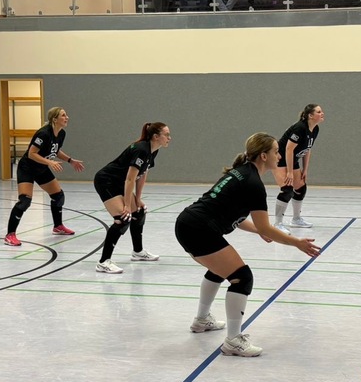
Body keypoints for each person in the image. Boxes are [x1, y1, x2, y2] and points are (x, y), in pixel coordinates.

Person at [176, 133, 321, 356]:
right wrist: (296, 243)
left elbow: (240, 217)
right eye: (276, 152)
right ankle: (233, 341)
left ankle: (202, 320)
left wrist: (258, 230)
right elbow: (266, 227)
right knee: (242, 277)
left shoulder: (241, 173)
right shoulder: (253, 183)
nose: (279, 156)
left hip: (189, 224)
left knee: (219, 270)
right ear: (263, 156)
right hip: (198, 229)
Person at [93, 122, 171, 273]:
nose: (170, 138)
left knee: (139, 212)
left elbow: (142, 174)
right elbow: (130, 179)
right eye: (166, 135)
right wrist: (127, 206)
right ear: (156, 136)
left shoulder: (153, 150)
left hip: (120, 182)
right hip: (107, 181)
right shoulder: (141, 149)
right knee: (123, 218)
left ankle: (138, 252)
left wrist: (138, 199)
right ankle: (103, 262)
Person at [3, 107, 85, 246]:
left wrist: (70, 160)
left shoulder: (61, 133)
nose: (67, 117)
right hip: (27, 168)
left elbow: (55, 150)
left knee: (58, 196)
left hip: (41, 168)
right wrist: (50, 162)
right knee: (25, 201)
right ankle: (10, 235)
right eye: (63, 115)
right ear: (55, 119)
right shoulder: (43, 133)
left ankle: (58, 227)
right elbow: (32, 154)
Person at [273, 104, 325, 232]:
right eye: (319, 112)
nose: (322, 113)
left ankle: (296, 219)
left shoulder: (315, 129)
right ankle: (277, 224)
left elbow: (308, 149)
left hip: (293, 159)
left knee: (301, 187)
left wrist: (305, 169)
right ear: (310, 115)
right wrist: (290, 172)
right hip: (279, 159)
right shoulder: (300, 128)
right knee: (287, 189)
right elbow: (288, 149)